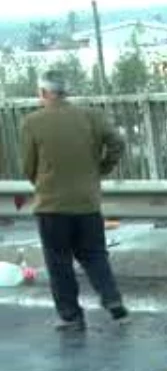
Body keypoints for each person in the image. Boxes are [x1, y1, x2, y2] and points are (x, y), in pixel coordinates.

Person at [20, 70, 128, 331]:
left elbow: (28, 166)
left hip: (52, 206)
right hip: (87, 202)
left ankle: (71, 316)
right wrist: (101, 169)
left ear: (44, 93)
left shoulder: (32, 122)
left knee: (59, 262)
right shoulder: (91, 116)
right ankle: (112, 299)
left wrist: (43, 183)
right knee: (95, 255)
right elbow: (117, 142)